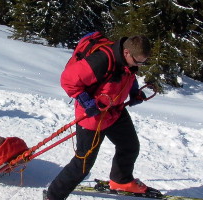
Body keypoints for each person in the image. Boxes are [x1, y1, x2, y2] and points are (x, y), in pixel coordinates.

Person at [45, 35, 153, 199]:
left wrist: (134, 93)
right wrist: (85, 101)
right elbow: (68, 80)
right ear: (126, 52)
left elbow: (128, 76)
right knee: (83, 163)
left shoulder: (128, 61)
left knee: (129, 146)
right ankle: (53, 196)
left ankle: (121, 180)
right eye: (138, 61)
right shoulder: (102, 60)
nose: (140, 65)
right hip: (92, 117)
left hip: (114, 111)